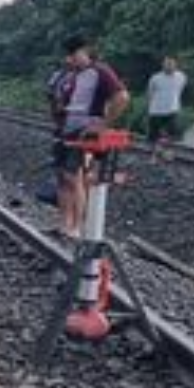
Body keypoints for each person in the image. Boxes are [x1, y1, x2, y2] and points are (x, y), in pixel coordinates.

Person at [51, 35, 129, 239]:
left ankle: (77, 226)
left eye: (74, 54)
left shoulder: (100, 71)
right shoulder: (71, 75)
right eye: (68, 56)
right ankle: (64, 224)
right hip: (65, 130)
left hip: (84, 132)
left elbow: (121, 97)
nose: (71, 59)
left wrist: (103, 123)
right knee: (61, 177)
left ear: (85, 51)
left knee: (74, 176)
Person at [146, 55, 187, 156]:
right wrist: (150, 107)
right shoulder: (155, 78)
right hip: (156, 110)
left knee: (171, 134)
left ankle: (166, 153)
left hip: (172, 109)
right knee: (153, 136)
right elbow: (150, 93)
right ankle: (153, 155)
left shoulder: (181, 77)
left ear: (176, 64)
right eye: (166, 63)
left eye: (171, 63)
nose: (169, 66)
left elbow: (180, 90)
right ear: (162, 64)